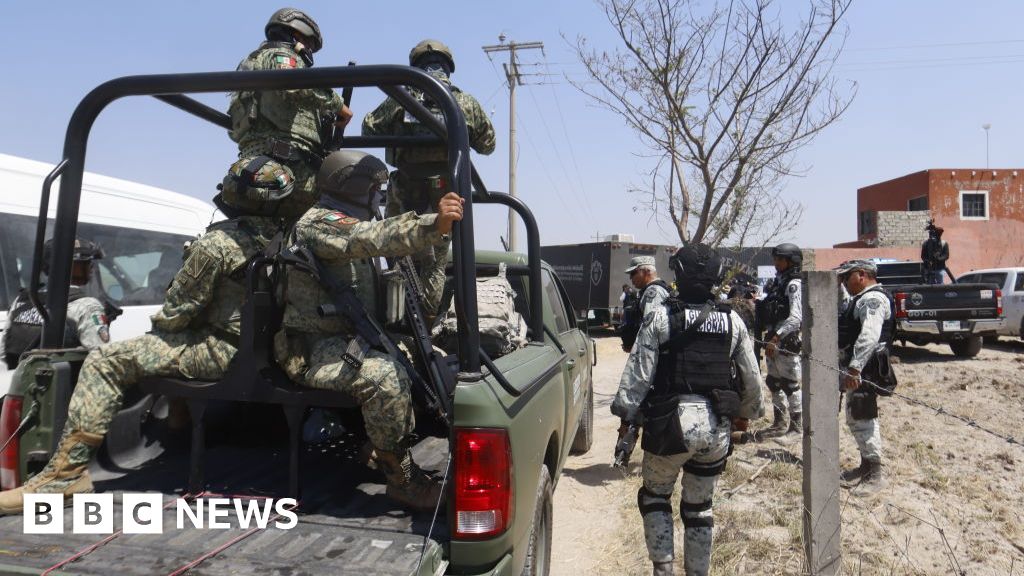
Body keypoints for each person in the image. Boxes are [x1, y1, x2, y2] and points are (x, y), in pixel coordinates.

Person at [0, 162, 289, 514]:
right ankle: (179, 420)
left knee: (107, 360)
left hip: (219, 353)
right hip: (266, 351)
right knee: (166, 346)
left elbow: (177, 310)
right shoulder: (287, 239)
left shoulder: (219, 243)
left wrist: (163, 327)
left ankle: (64, 478)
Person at [275, 150, 462, 510]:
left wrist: (438, 238)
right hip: (311, 348)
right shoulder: (319, 223)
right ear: (355, 187)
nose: (380, 197)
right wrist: (430, 224)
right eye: (376, 189)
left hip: (346, 340)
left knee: (426, 360)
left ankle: (379, 446)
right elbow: (368, 237)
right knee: (384, 378)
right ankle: (403, 482)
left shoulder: (353, 224)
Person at [611, 244, 763, 576]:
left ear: (677, 274)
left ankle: (663, 570)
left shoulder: (660, 318)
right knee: (699, 510)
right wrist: (746, 416)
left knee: (655, 499)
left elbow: (636, 379)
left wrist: (626, 419)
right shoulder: (733, 322)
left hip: (669, 429)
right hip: (715, 431)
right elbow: (752, 381)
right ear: (717, 277)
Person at [228, 7, 353, 219]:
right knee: (347, 207)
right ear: (297, 35)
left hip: (257, 162)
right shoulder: (281, 56)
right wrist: (339, 106)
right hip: (288, 164)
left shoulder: (250, 62)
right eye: (310, 44)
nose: (310, 51)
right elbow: (293, 81)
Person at [362, 39, 495, 220]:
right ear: (448, 67)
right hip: (451, 193)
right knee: (448, 244)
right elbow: (488, 145)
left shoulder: (399, 99)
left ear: (416, 67)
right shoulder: (466, 104)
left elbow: (368, 130)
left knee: (400, 245)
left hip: (405, 193)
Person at [2, 238, 113, 370]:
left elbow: (4, 351)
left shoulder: (21, 299)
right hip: (66, 388)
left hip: (21, 384)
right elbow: (102, 360)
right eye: (86, 262)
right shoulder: (87, 306)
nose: (91, 268)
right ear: (70, 267)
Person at [835, 259, 896, 495]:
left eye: (846, 277)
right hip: (860, 366)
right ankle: (865, 466)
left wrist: (855, 368)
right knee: (857, 416)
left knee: (864, 417)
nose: (844, 282)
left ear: (861, 275)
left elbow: (869, 335)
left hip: (866, 367)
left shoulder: (872, 299)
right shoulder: (861, 298)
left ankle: (876, 474)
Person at [756, 243, 803, 440]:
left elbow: (796, 317)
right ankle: (779, 423)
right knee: (773, 382)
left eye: (780, 259)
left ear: (791, 261)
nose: (776, 263)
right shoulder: (778, 282)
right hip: (772, 339)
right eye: (775, 259)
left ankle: (796, 428)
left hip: (786, 340)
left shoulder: (794, 284)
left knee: (790, 385)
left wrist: (776, 338)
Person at [618, 256, 671, 352]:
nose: (630, 277)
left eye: (633, 273)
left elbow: (651, 333)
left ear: (647, 271)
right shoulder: (648, 291)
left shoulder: (653, 292)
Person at [921, 220, 949, 285]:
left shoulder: (944, 243)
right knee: (930, 284)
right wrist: (927, 261)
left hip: (940, 268)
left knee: (940, 284)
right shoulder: (926, 244)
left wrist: (938, 258)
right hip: (930, 269)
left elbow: (946, 255)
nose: (933, 236)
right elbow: (923, 256)